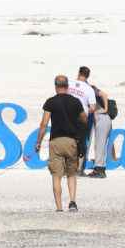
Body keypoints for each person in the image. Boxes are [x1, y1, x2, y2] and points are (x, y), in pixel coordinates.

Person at [28, 75, 87, 212]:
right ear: (67, 86)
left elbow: (44, 124)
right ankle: (72, 202)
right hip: (72, 141)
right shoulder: (75, 101)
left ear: (55, 86)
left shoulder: (50, 102)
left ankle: (59, 207)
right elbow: (84, 118)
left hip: (56, 141)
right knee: (71, 174)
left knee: (56, 175)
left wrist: (38, 142)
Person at [78, 66, 111, 179]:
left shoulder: (89, 88)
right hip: (96, 117)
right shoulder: (87, 88)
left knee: (99, 144)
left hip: (101, 116)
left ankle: (99, 170)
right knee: (90, 142)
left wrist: (105, 109)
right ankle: (82, 168)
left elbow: (104, 95)